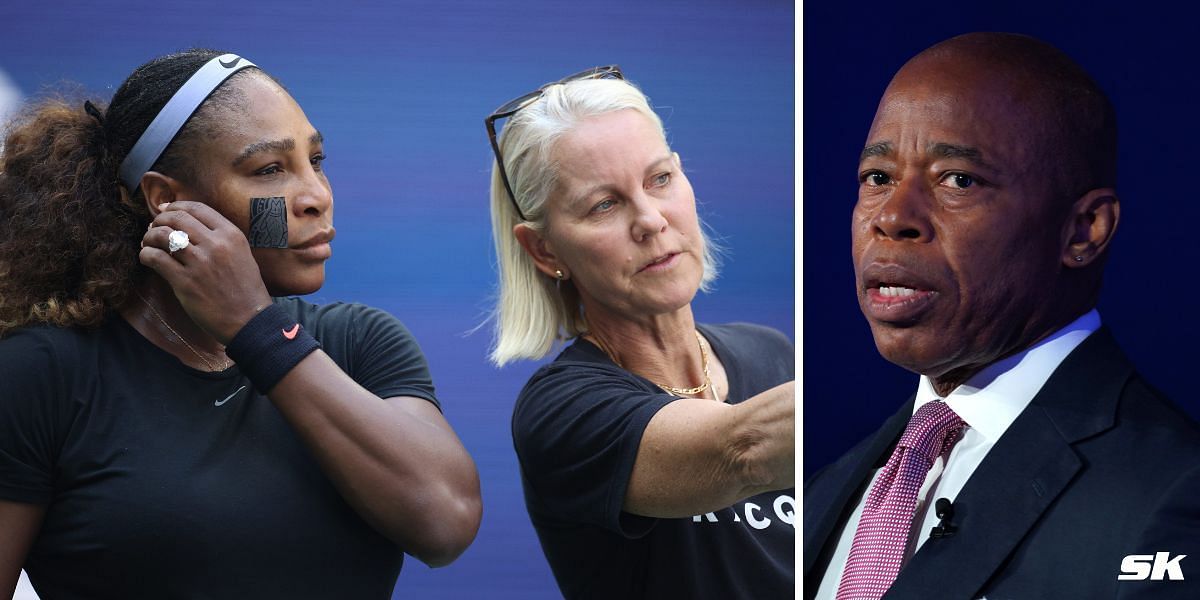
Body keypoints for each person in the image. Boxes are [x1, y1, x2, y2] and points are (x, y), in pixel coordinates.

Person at [0, 49, 482, 599]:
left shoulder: (358, 342)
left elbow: (445, 523)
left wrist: (255, 328)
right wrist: (251, 319)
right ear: (167, 200)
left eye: (316, 160)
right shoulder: (43, 373)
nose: (316, 197)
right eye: (270, 169)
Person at [802, 33, 1200, 600]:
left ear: (1084, 229)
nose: (892, 217)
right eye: (878, 178)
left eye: (958, 180)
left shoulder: (1175, 498)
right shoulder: (825, 490)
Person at [484, 66, 795, 599]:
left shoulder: (772, 352)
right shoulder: (560, 409)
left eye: (660, 179)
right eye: (604, 204)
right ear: (544, 250)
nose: (650, 219)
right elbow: (741, 451)